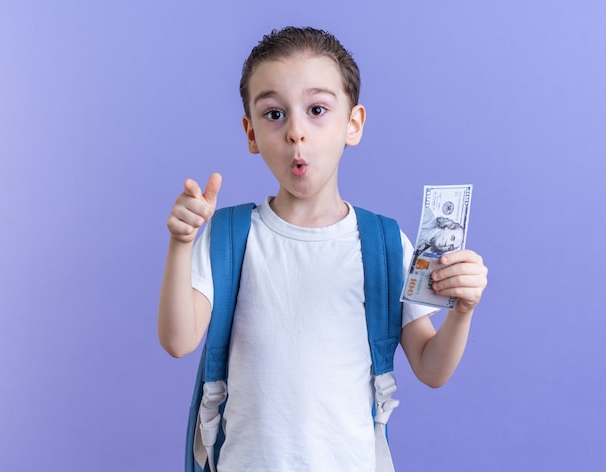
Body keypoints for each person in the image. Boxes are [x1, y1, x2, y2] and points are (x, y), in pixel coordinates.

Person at [158, 26, 488, 471]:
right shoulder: (229, 235)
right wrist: (182, 243)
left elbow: (431, 369)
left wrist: (462, 310)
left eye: (316, 109)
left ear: (353, 124)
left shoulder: (386, 244)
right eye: (274, 114)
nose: (296, 132)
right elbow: (179, 341)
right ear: (251, 133)